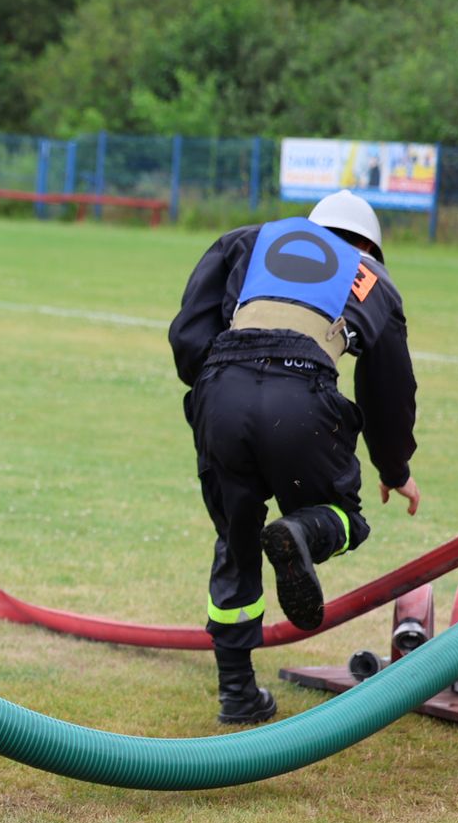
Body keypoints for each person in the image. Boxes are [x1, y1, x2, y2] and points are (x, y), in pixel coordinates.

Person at [168, 189, 420, 725]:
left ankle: (238, 694)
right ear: (370, 246)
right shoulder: (372, 276)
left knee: (236, 539)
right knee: (344, 519)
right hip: (302, 394)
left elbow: (190, 332)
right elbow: (388, 388)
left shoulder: (248, 239)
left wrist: (218, 390)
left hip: (222, 390)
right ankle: (303, 533)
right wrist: (394, 468)